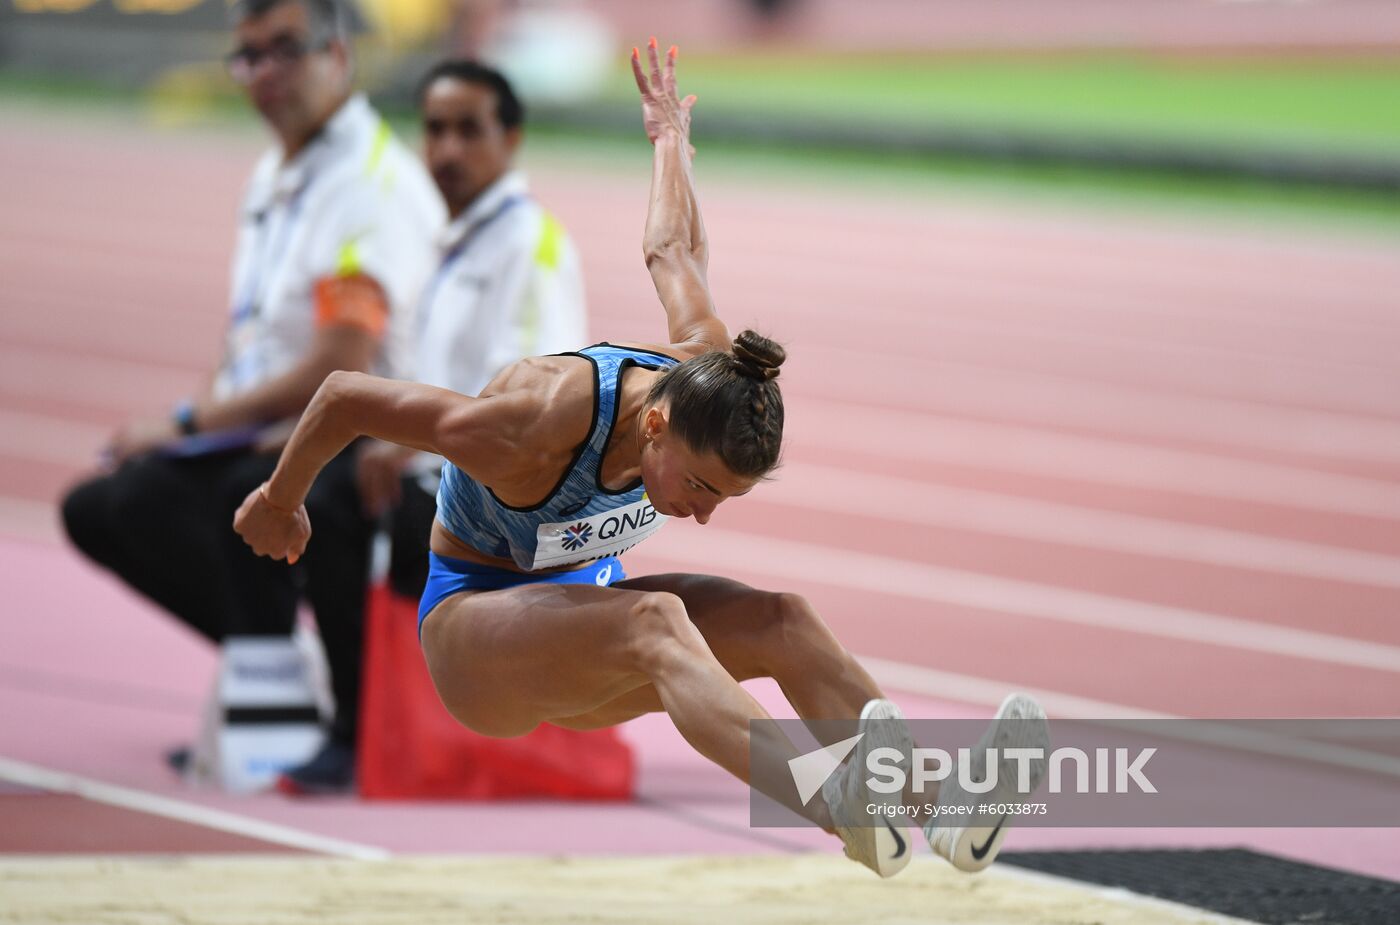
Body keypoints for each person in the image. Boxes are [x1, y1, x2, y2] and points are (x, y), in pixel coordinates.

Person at [235, 40, 1048, 877]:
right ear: (655, 426)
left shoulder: (705, 369)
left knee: (784, 620)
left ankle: (936, 811)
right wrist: (279, 498)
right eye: (698, 487)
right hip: (477, 640)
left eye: (722, 499)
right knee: (658, 621)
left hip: (586, 622)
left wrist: (669, 142)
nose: (699, 514)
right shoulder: (525, 426)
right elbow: (345, 393)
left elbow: (674, 251)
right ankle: (834, 803)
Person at [60, 0, 443, 771]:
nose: (264, 75)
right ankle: (275, 690)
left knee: (233, 493)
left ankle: (307, 710)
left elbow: (341, 359)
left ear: (337, 54)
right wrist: (197, 419)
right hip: (273, 426)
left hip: (363, 438)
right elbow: (249, 337)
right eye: (249, 57)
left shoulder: (365, 184)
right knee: (104, 506)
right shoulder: (278, 170)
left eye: (284, 51)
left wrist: (184, 420)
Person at [280, 59, 588, 793]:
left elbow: (532, 399)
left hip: (503, 491)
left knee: (335, 506)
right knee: (320, 491)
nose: (447, 150)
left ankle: (365, 730)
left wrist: (407, 445)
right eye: (436, 130)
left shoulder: (528, 246)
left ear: (510, 139)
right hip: (449, 467)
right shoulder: (458, 238)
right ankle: (361, 720)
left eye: (468, 131)